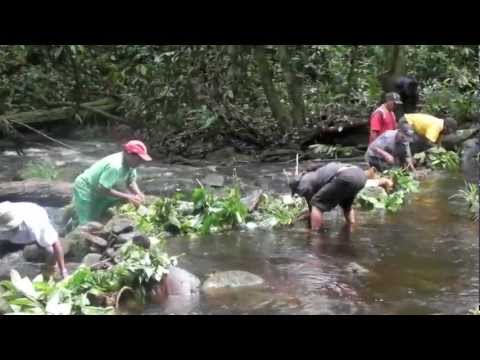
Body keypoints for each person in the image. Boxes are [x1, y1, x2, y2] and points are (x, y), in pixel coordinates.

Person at [73, 140, 152, 226]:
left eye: (141, 160)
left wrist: (139, 193)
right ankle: (76, 231)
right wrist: (128, 196)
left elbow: (131, 181)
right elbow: (102, 188)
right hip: (86, 186)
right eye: (138, 159)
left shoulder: (132, 164)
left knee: (95, 217)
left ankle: (74, 223)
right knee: (86, 222)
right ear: (127, 153)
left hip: (101, 187)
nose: (140, 162)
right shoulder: (115, 166)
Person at [288, 162, 367, 231]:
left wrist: (312, 214)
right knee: (346, 206)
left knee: (316, 204)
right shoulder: (319, 172)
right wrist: (310, 213)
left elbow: (314, 203)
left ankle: (315, 233)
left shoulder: (304, 182)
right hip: (361, 176)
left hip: (345, 176)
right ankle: (351, 227)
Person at [0, 201, 68, 278]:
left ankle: (49, 270)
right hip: (10, 234)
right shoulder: (2, 212)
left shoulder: (36, 224)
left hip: (32, 223)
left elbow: (55, 243)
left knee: (50, 251)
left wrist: (63, 270)